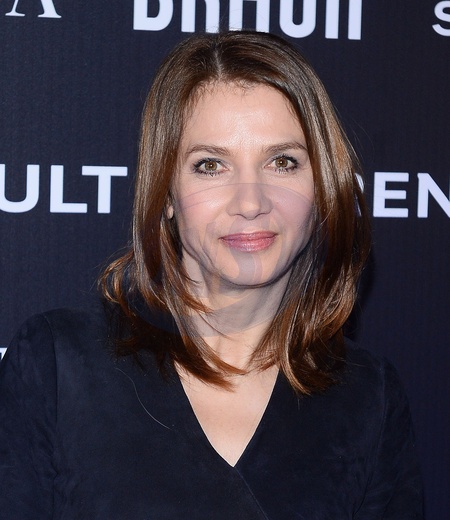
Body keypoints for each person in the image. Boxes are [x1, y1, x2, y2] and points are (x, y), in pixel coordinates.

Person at [0, 31, 423, 519]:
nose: (251, 202)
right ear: (165, 193)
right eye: (210, 165)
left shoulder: (368, 397)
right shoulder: (59, 367)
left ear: (323, 184)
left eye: (282, 162)